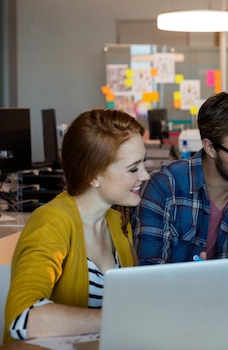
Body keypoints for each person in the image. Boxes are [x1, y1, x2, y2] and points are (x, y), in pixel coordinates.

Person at [3, 109, 149, 343]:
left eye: (144, 163)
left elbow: (130, 302)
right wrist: (114, 318)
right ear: (93, 175)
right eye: (133, 168)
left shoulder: (117, 219)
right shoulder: (52, 221)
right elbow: (23, 317)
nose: (146, 175)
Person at [134, 92, 228, 277]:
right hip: (175, 302)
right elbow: (149, 270)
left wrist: (220, 276)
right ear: (210, 148)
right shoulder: (163, 187)